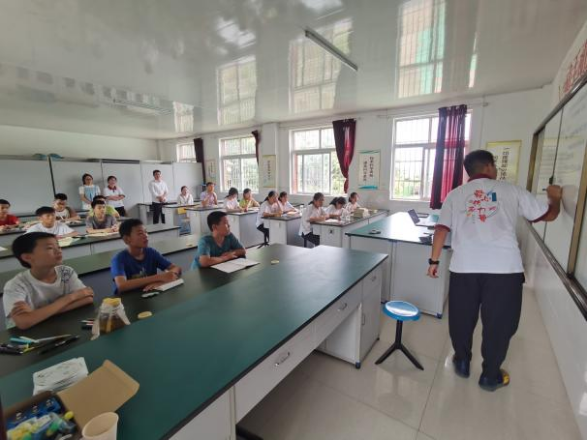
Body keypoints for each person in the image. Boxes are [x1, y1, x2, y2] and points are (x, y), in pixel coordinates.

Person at [427, 150, 562, 392]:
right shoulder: (512, 190)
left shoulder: (455, 194)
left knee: (461, 318)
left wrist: (433, 261)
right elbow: (548, 215)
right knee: (500, 323)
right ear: (489, 167)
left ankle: (462, 362)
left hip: (464, 267)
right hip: (504, 269)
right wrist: (555, 198)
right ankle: (490, 376)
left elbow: (441, 230)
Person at [3, 232, 94, 329]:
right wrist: (70, 298)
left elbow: (88, 298)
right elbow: (24, 322)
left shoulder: (65, 272)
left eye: (58, 246)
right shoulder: (16, 285)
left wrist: (36, 314)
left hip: (56, 325)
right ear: (27, 257)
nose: (58, 251)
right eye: (50, 248)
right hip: (26, 334)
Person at [111, 219, 181, 294]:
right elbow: (121, 285)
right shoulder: (119, 259)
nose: (146, 236)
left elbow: (176, 268)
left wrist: (162, 281)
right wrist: (159, 277)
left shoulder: (151, 252)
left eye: (146, 232)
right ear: (127, 239)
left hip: (149, 294)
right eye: (140, 233)